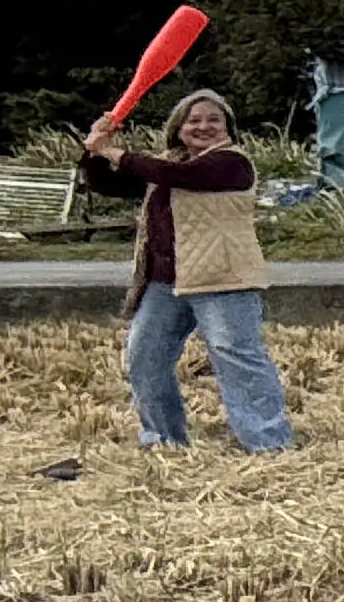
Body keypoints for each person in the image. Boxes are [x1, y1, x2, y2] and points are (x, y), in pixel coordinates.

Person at [80, 87, 293, 454]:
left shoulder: (231, 163)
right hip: (165, 282)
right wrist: (94, 151)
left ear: (229, 128)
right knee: (144, 358)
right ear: (178, 128)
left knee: (238, 360)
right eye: (194, 120)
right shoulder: (168, 165)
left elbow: (175, 174)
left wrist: (112, 150)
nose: (203, 126)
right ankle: (164, 440)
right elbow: (108, 184)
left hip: (223, 279)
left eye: (214, 120)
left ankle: (268, 444)